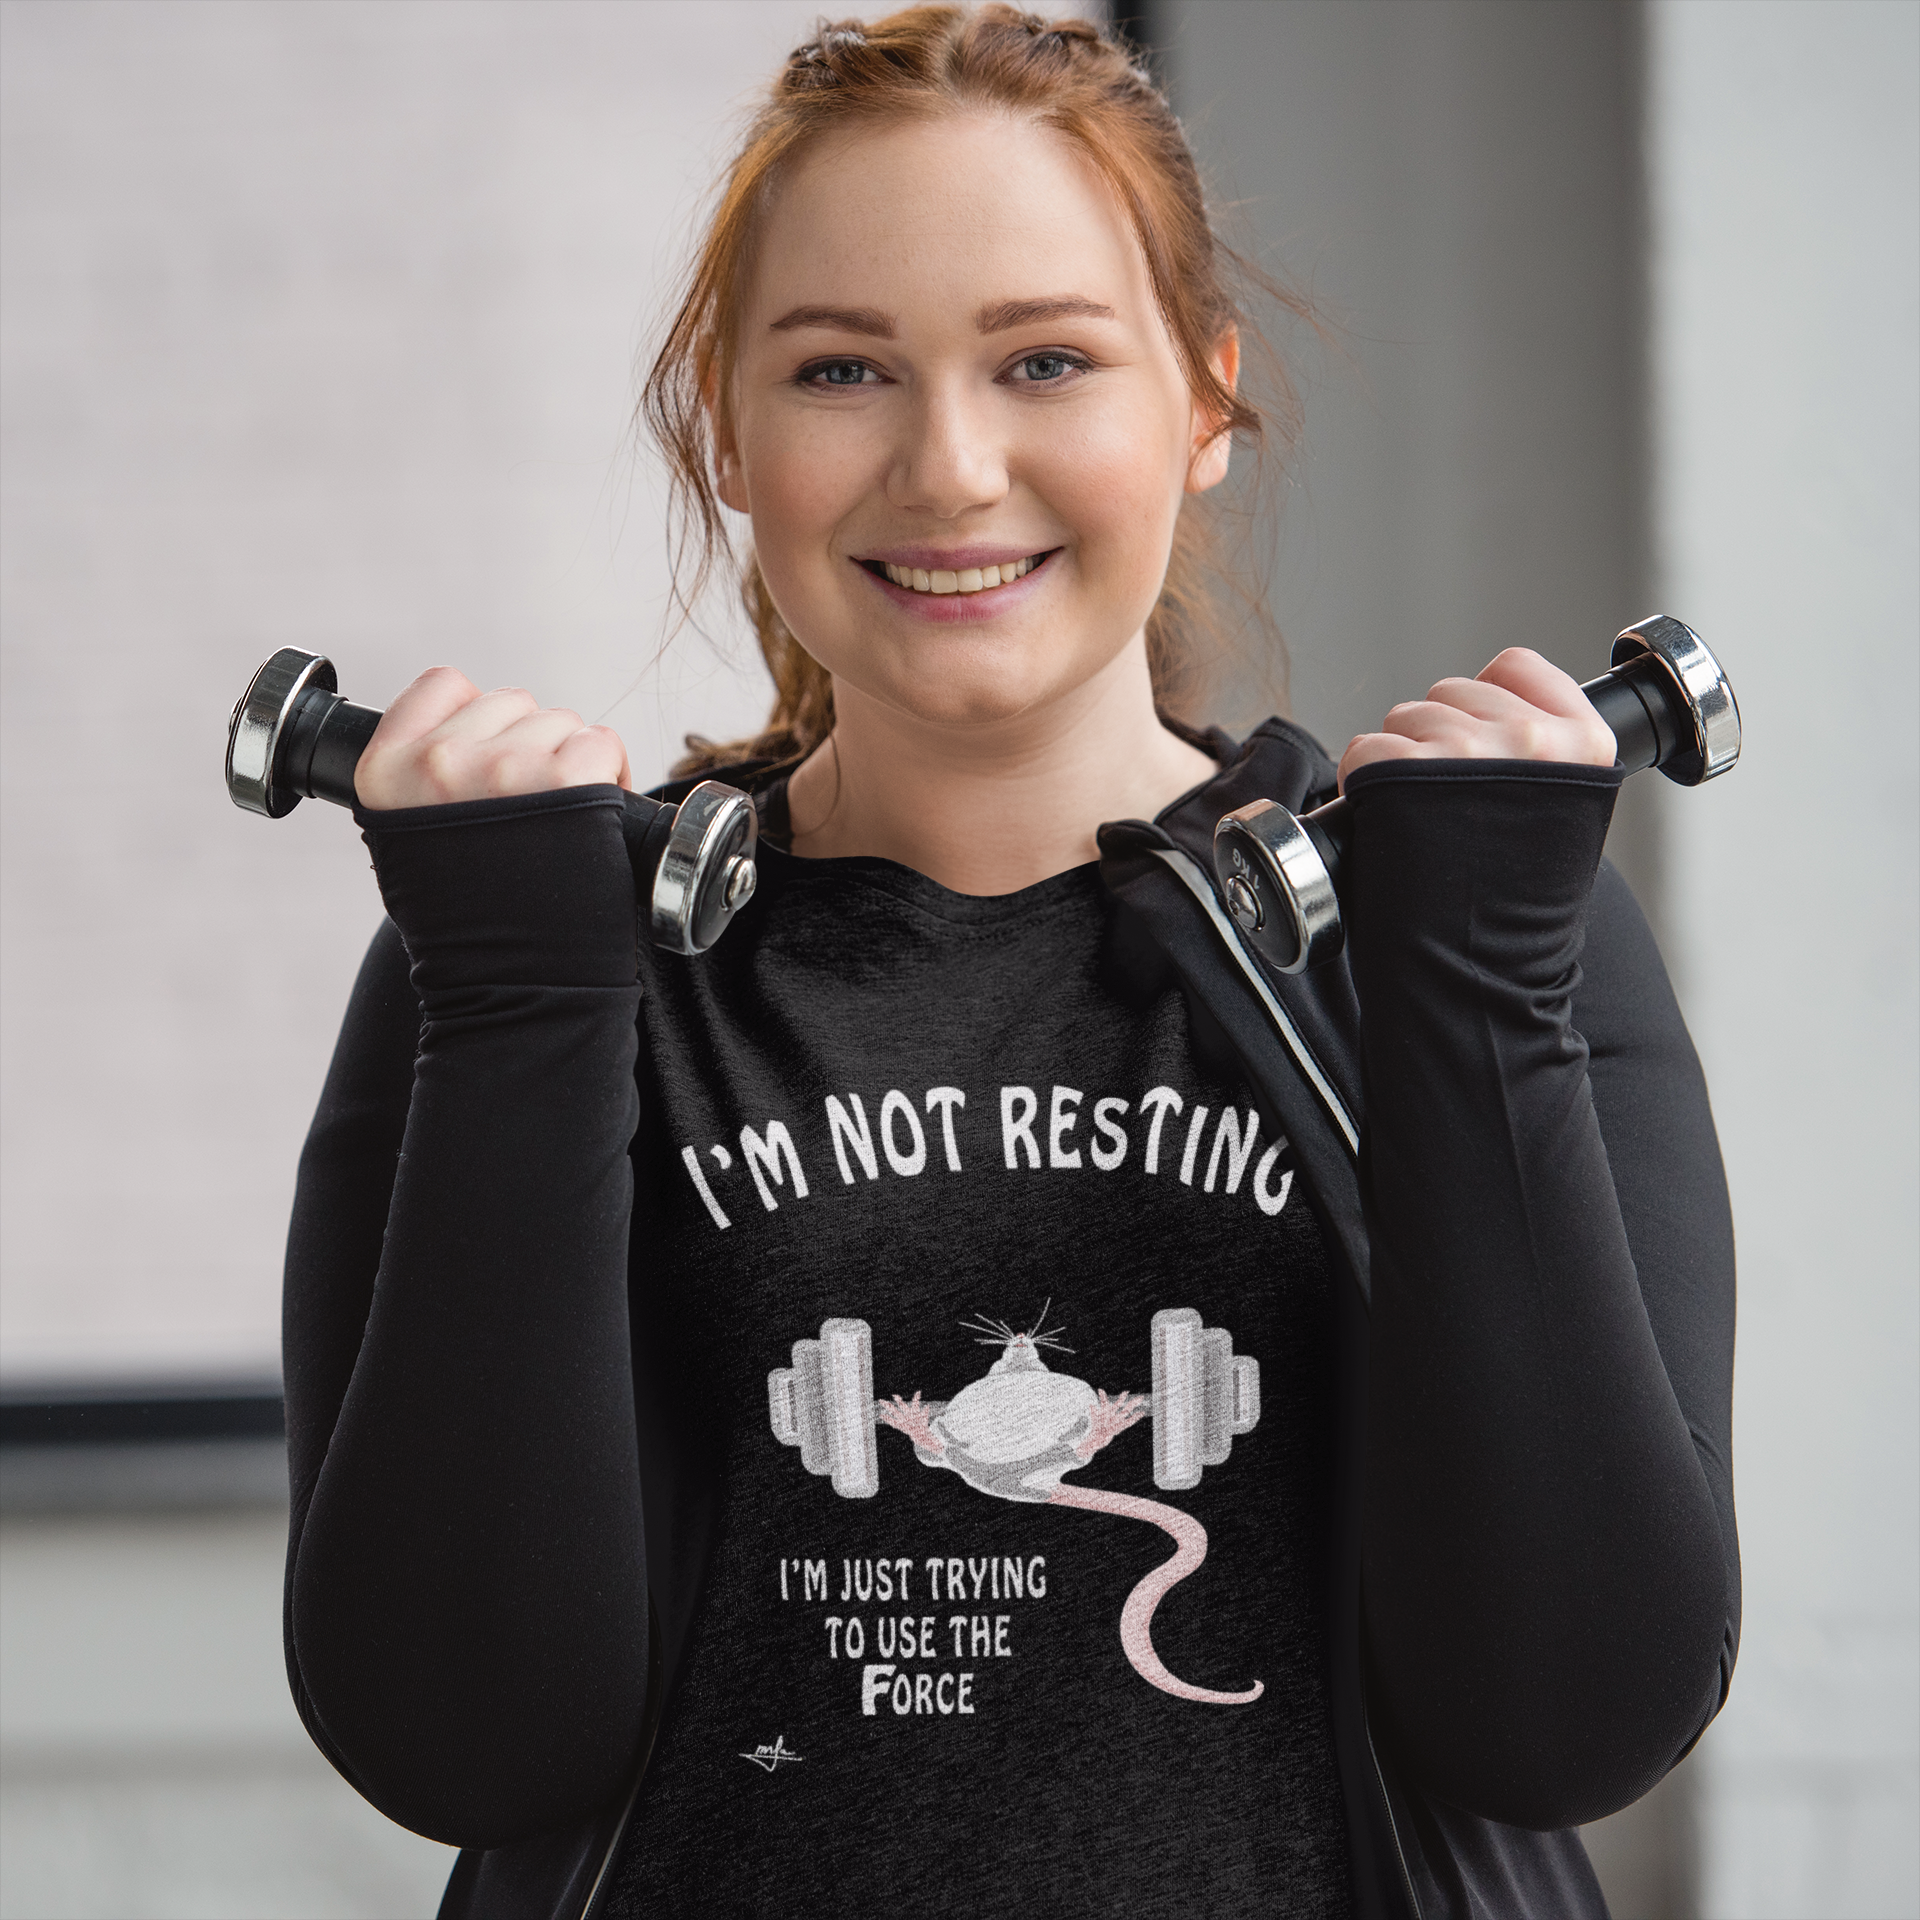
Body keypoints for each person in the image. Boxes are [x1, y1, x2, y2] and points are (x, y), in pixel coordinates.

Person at [281, 9, 1738, 1917]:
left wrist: (1468, 983)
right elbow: (460, 1735)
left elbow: (1567, 1722)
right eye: (840, 371)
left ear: (1205, 401)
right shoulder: (537, 961)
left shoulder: (1456, 933)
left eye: (1046, 358)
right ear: (727, 425)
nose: (951, 466)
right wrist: (524, 1001)